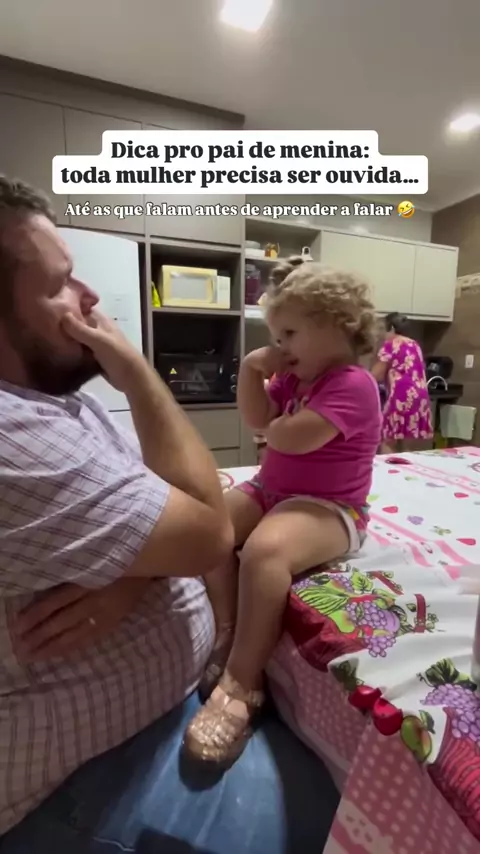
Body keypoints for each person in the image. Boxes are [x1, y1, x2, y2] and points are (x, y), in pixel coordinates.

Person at [0, 178, 339, 853]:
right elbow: (210, 528)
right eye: (60, 284)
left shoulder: (60, 402)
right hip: (77, 781)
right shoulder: (15, 436)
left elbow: (179, 506)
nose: (90, 298)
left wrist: (134, 576)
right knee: (346, 808)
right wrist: (138, 372)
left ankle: (235, 665)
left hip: (158, 704)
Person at [186, 257, 382, 765]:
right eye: (276, 336)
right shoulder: (296, 379)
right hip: (270, 489)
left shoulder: (352, 384)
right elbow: (256, 415)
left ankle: (242, 680)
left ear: (337, 326)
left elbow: (290, 437)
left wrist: (270, 429)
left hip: (331, 507)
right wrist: (252, 370)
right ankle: (228, 626)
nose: (280, 347)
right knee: (206, 524)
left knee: (264, 551)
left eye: (289, 334)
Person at [371, 311, 433, 454]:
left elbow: (377, 375)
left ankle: (388, 467)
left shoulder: (390, 344)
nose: (382, 335)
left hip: (401, 394)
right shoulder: (414, 344)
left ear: (392, 328)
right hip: (420, 396)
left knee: (388, 439)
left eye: (383, 330)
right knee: (407, 444)